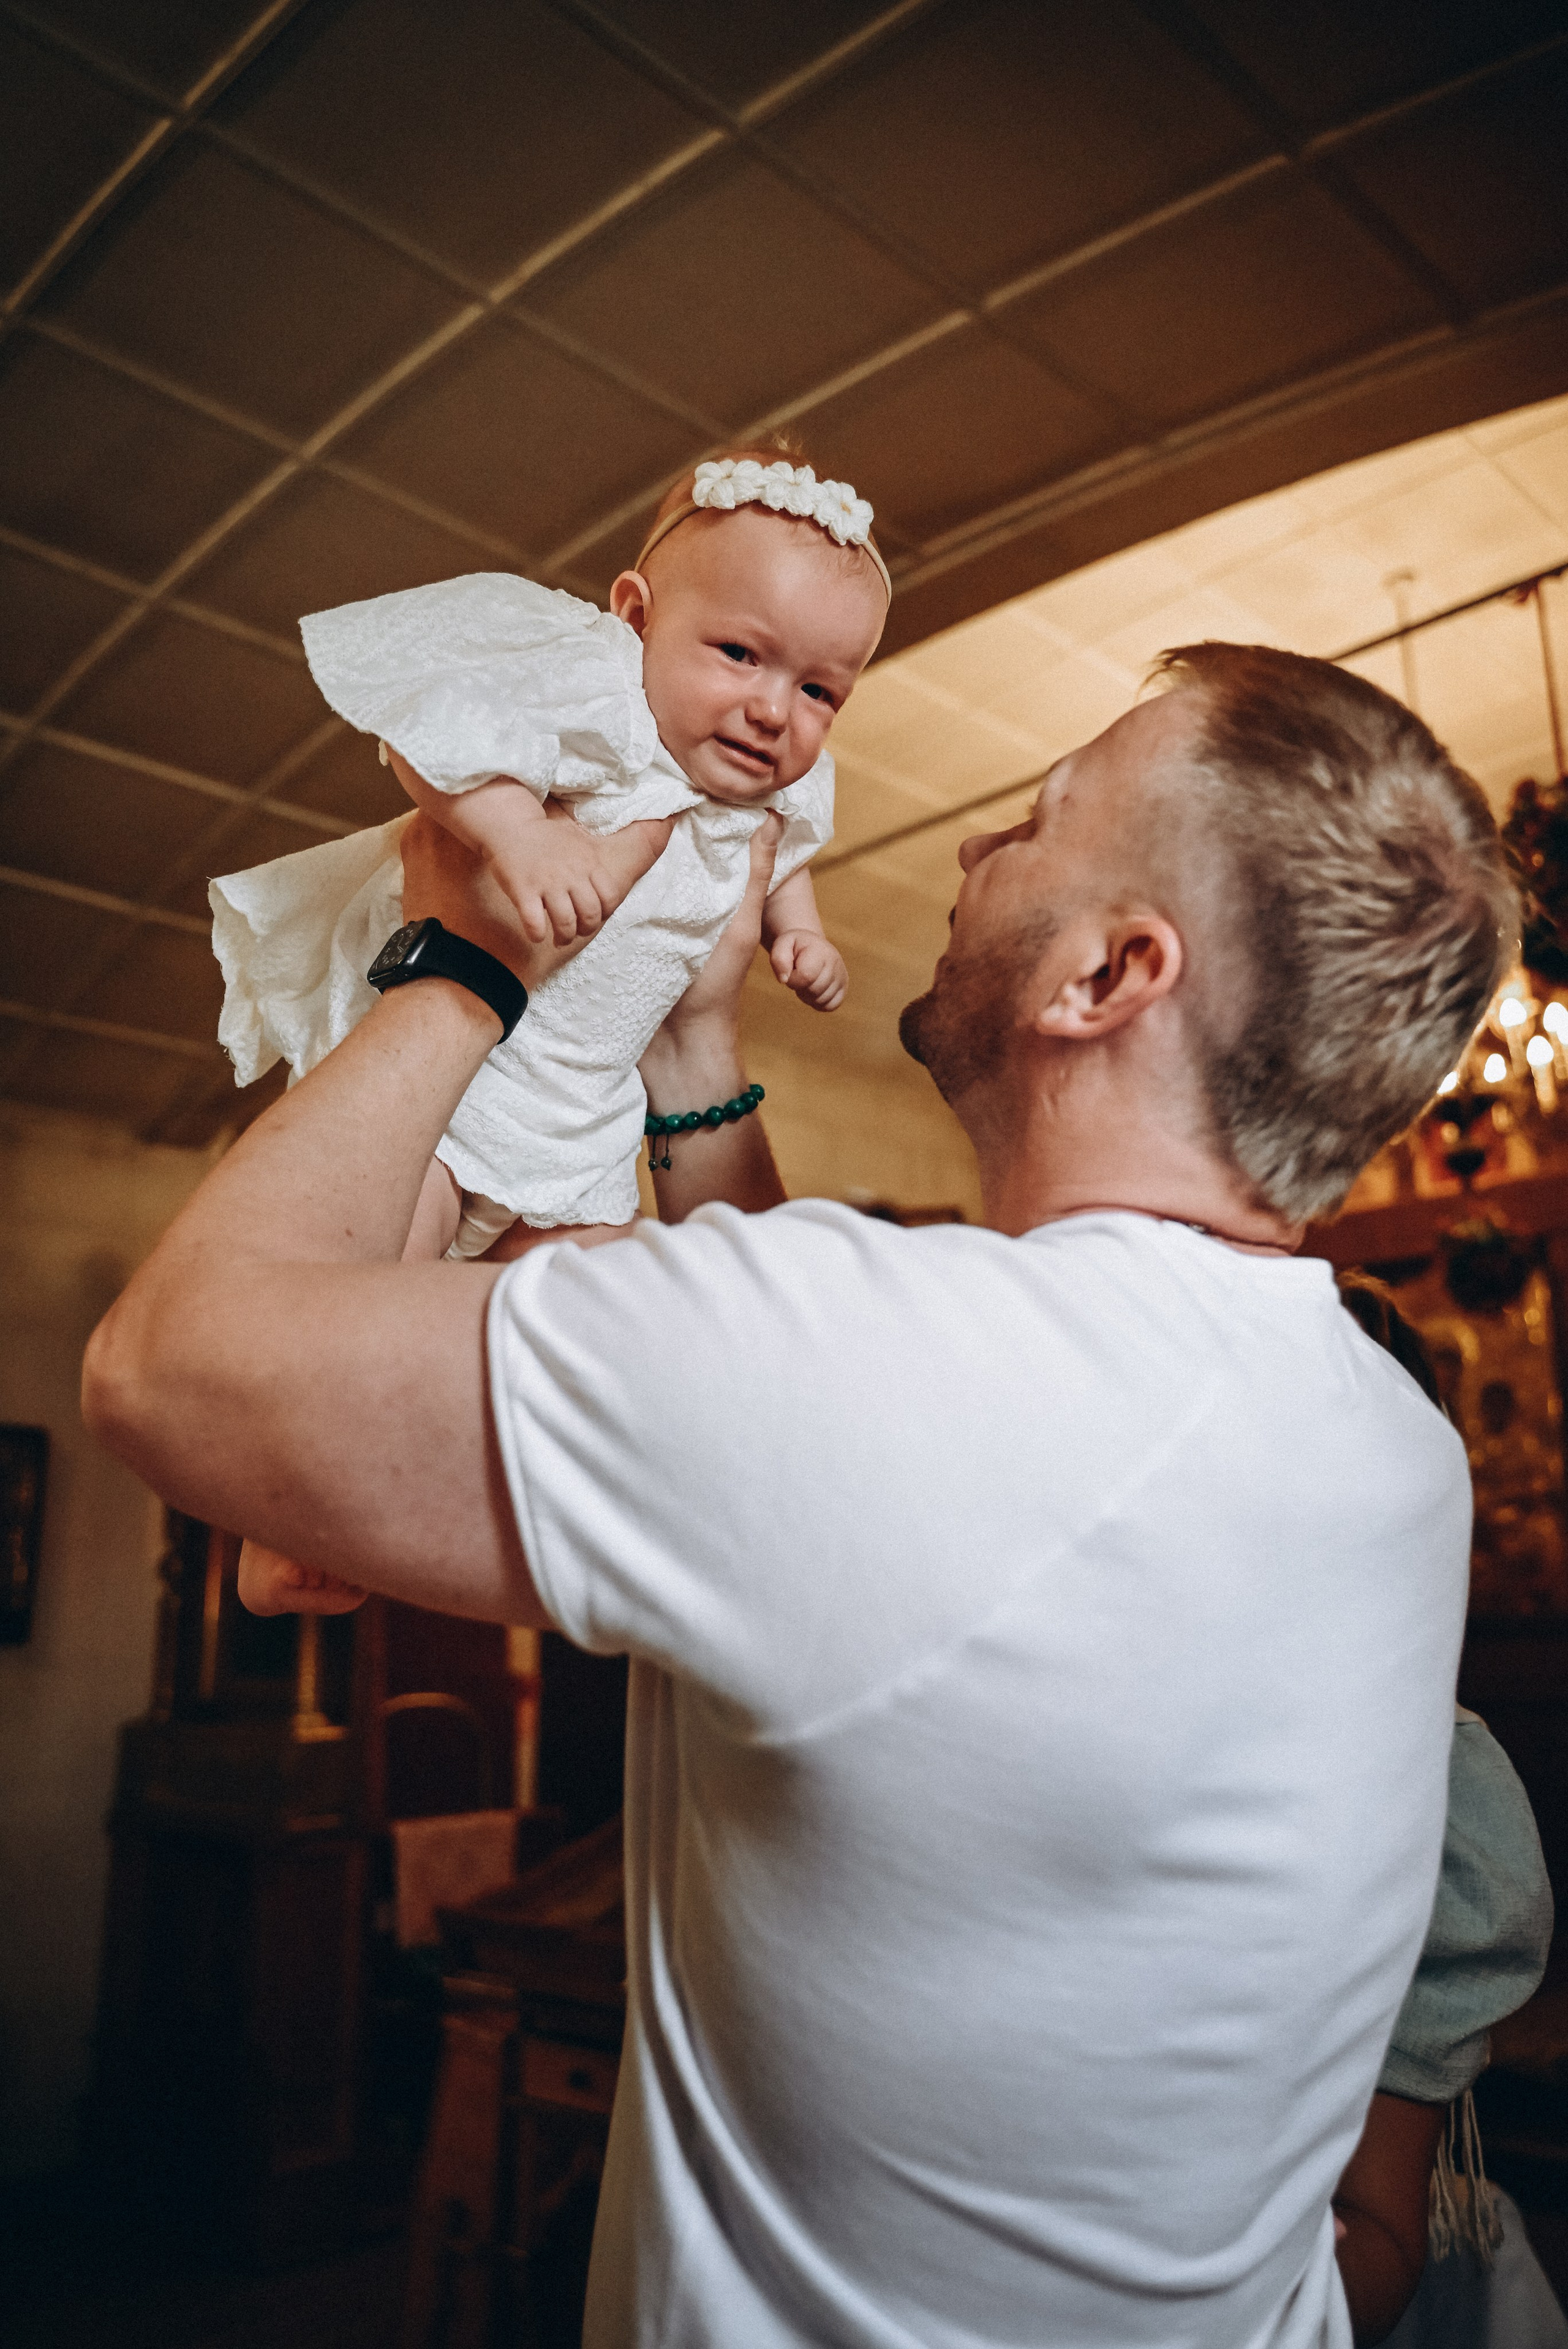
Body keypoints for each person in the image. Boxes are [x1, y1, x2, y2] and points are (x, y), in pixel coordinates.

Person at [86, 642, 1519, 2347]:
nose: (978, 842)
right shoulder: (1392, 1445)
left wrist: (467, 954)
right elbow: (852, 1508)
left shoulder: (878, 1366)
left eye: (1040, 818)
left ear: (1111, 973)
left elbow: (167, 1362)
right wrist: (695, 1053)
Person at [210, 448, 886, 1259]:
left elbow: (785, 858)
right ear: (636, 618)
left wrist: (801, 932)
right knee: (367, 1274)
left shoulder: (774, 794)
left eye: (819, 691)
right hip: (454, 1095)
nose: (775, 711)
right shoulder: (604, 700)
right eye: (740, 654)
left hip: (586, 1128)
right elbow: (429, 737)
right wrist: (516, 834)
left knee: (586, 1302)